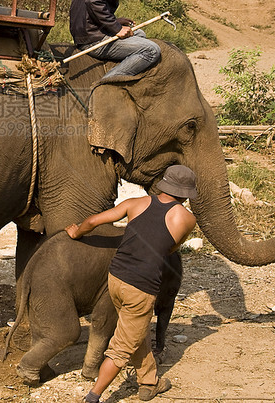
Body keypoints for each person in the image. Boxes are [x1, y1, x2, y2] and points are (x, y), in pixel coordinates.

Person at [66, 165, 198, 402]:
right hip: (141, 287)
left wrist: (77, 232)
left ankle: (149, 383)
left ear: (163, 185)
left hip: (116, 278)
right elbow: (171, 247)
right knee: (122, 348)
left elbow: (95, 220)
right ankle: (93, 396)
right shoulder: (187, 218)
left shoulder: (137, 203)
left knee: (136, 330)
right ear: (186, 194)